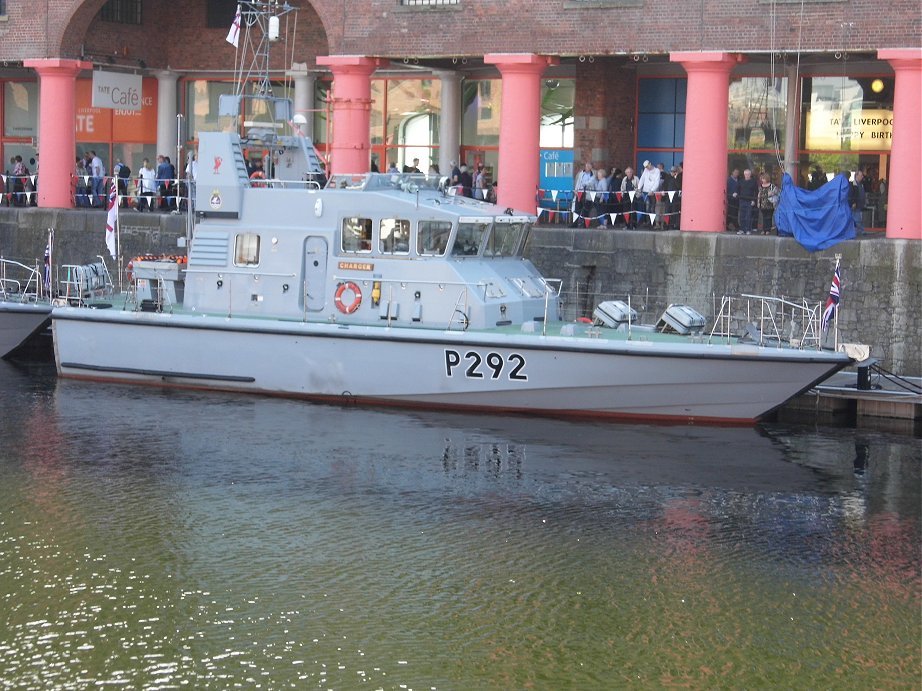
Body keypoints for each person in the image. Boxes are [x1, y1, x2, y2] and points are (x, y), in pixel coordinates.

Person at [637, 160, 661, 226]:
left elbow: (657, 182)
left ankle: (652, 222)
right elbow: (642, 179)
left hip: (653, 192)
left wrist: (652, 190)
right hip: (645, 191)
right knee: (647, 207)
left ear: (650, 163)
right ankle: (648, 222)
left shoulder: (657, 171)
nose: (647, 168)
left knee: (652, 207)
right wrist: (639, 188)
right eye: (646, 167)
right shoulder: (645, 170)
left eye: (648, 166)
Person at [571, 161, 595, 226]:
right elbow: (578, 182)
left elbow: (590, 183)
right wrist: (576, 190)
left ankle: (585, 224)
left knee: (586, 210)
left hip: (587, 194)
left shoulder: (593, 175)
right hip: (579, 193)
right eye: (586, 166)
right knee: (577, 209)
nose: (587, 167)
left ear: (591, 167)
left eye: (589, 166)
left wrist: (584, 183)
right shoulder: (581, 173)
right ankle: (575, 224)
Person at [736, 168, 758, 235]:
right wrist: (735, 193)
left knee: (748, 216)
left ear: (750, 175)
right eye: (745, 174)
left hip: (750, 201)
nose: (747, 175)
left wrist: (754, 200)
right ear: (744, 174)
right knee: (741, 216)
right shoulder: (740, 181)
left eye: (748, 174)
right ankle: (742, 229)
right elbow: (737, 189)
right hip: (742, 200)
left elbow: (756, 192)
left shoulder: (753, 182)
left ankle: (748, 230)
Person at [849, 170, 866, 237]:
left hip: (859, 204)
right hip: (855, 204)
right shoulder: (853, 184)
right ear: (856, 176)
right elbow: (852, 194)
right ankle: (861, 230)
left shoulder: (861, 184)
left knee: (856, 218)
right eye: (861, 175)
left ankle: (857, 231)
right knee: (857, 218)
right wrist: (853, 202)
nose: (862, 177)